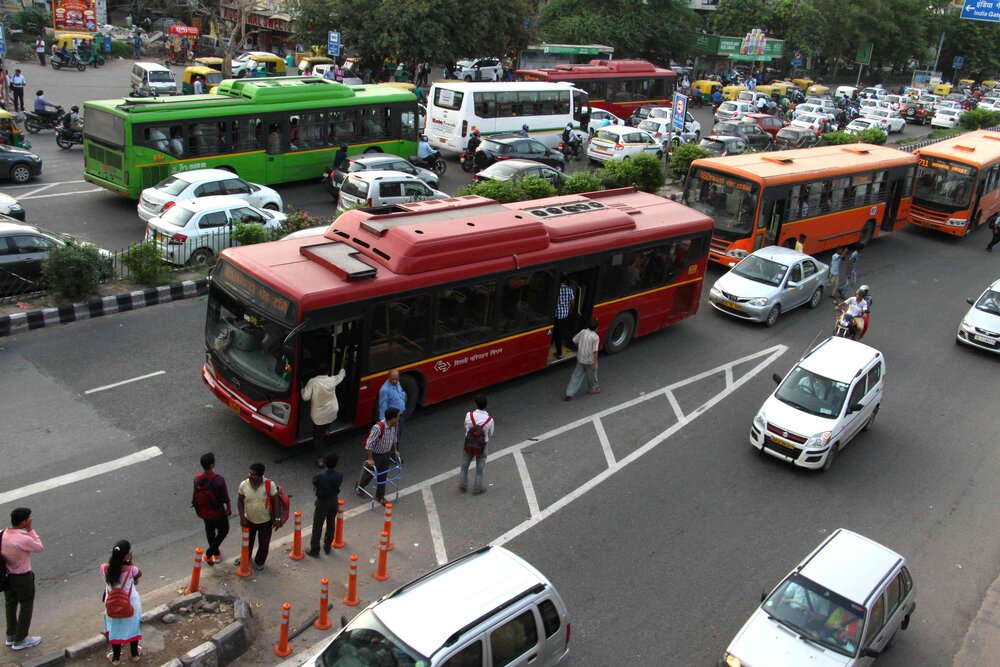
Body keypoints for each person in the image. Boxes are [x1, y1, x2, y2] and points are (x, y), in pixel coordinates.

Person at [2, 508, 43, 651]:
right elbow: (39, 547)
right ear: (24, 521)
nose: (30, 519)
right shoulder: (22, 538)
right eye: (29, 518)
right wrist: (30, 529)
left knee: (10, 605)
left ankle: (11, 635)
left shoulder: (3, 534)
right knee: (26, 605)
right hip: (22, 577)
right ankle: (21, 639)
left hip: (7, 576)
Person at [101, 540, 141, 664]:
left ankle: (116, 658)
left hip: (112, 605)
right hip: (130, 604)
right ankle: (135, 654)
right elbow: (138, 576)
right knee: (133, 627)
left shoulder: (104, 568)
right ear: (127, 556)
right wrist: (129, 562)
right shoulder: (132, 569)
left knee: (115, 630)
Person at [236, 463, 281, 573]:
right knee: (247, 543)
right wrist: (242, 517)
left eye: (253, 474)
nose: (250, 476)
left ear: (261, 476)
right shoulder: (244, 485)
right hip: (249, 521)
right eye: (250, 473)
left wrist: (277, 519)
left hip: (265, 522)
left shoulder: (270, 485)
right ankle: (245, 558)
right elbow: (240, 501)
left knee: (264, 545)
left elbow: (275, 502)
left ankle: (260, 563)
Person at [301, 365, 347, 465]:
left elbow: (305, 397)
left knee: (317, 438)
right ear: (328, 372)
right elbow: (341, 376)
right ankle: (326, 429)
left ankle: (320, 460)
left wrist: (302, 389)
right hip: (332, 411)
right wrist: (342, 367)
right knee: (326, 420)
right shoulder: (332, 380)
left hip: (319, 415)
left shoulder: (313, 382)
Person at [355, 407, 401, 506]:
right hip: (376, 455)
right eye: (397, 417)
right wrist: (370, 459)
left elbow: (394, 438)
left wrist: (395, 450)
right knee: (369, 474)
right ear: (392, 418)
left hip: (386, 454)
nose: (398, 418)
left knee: (382, 475)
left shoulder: (395, 425)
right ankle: (360, 487)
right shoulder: (378, 428)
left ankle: (380, 496)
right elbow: (369, 444)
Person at [192, 453, 231, 565]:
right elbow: (225, 496)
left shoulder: (196, 479)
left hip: (204, 511)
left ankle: (216, 554)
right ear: (212, 465)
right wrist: (228, 508)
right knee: (223, 530)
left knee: (209, 530)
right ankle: (209, 554)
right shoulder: (218, 479)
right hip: (217, 512)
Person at [307, 453, 344, 557]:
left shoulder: (320, 476)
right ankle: (327, 546)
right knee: (331, 523)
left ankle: (315, 549)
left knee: (317, 526)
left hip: (323, 502)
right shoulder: (340, 475)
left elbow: (314, 481)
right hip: (334, 501)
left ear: (326, 463)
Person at [459, 394, 494, 494]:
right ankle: (477, 488)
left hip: (469, 443)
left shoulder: (468, 415)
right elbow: (490, 433)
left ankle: (463, 485)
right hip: (482, 446)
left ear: (475, 404)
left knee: (464, 465)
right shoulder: (489, 420)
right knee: (480, 468)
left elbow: (466, 427)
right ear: (486, 405)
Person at [564, 319, 601, 400]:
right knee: (592, 376)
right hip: (589, 361)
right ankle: (593, 389)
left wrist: (579, 349)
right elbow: (595, 351)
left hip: (580, 358)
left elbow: (575, 340)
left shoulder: (583, 332)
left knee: (576, 376)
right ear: (596, 328)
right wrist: (595, 362)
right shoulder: (595, 337)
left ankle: (569, 393)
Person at [377, 370, 407, 444]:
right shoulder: (385, 390)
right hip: (392, 419)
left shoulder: (398, 384)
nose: (394, 381)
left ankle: (395, 451)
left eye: (396, 379)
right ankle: (391, 452)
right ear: (388, 377)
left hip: (400, 415)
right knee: (392, 437)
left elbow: (401, 393)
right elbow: (383, 407)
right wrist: (383, 423)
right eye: (392, 379)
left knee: (398, 435)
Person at [553, 276, 574, 358]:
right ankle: (559, 352)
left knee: (555, 331)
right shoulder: (569, 290)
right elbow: (572, 302)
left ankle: (559, 352)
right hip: (564, 315)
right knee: (559, 333)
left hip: (555, 314)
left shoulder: (556, 289)